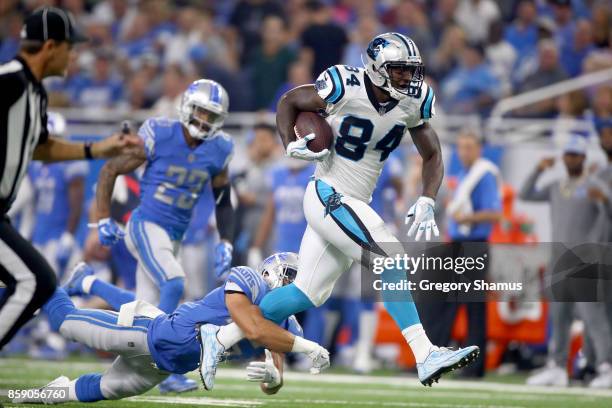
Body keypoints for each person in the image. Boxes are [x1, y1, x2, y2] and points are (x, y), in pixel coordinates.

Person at [200, 32, 480, 389]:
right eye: (398, 71)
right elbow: (288, 102)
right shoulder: (344, 84)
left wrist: (427, 197)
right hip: (328, 193)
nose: (408, 79)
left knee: (307, 294)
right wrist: (290, 145)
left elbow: (433, 153)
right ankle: (425, 354)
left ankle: (219, 337)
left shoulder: (413, 101)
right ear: (377, 70)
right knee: (390, 259)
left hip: (353, 202)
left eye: (411, 71)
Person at [0, 6, 140, 351]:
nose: (73, 54)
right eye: (69, 46)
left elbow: (42, 147)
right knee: (35, 281)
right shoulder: (11, 80)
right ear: (50, 46)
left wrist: (99, 149)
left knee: (39, 282)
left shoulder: (36, 92)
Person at [13, 253, 330, 404]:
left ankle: (30, 394)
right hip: (146, 335)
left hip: (162, 367)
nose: (288, 286)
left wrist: (274, 377)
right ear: (270, 273)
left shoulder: (287, 326)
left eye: (295, 282)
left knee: (100, 390)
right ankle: (37, 279)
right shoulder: (248, 281)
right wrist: (310, 348)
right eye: (286, 277)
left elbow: (272, 385)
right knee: (66, 323)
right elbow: (253, 326)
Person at [94, 78, 235, 393]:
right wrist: (101, 218)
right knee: (174, 282)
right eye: (200, 112)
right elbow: (110, 169)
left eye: (211, 116)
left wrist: (226, 239)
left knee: (147, 309)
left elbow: (224, 199)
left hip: (174, 235)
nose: (203, 121)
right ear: (186, 107)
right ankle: (168, 367)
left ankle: (85, 285)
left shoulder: (219, 148)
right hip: (145, 224)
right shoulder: (161, 133)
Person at [520, 136, 612, 388]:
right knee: (559, 316)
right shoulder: (556, 185)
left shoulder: (594, 185)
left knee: (593, 317)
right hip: (559, 260)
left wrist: (604, 201)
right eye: (568, 154)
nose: (571, 159)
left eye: (575, 155)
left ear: (583, 158)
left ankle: (606, 366)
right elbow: (525, 193)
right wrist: (538, 168)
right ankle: (557, 366)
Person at [422, 130, 502, 378]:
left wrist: (467, 217)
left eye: (469, 147)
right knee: (445, 304)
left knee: (472, 308)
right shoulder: (464, 174)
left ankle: (474, 368)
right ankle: (437, 356)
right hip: (457, 244)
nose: (464, 152)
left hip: (474, 245)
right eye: (461, 147)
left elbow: (495, 213)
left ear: (478, 149)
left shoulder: (483, 175)